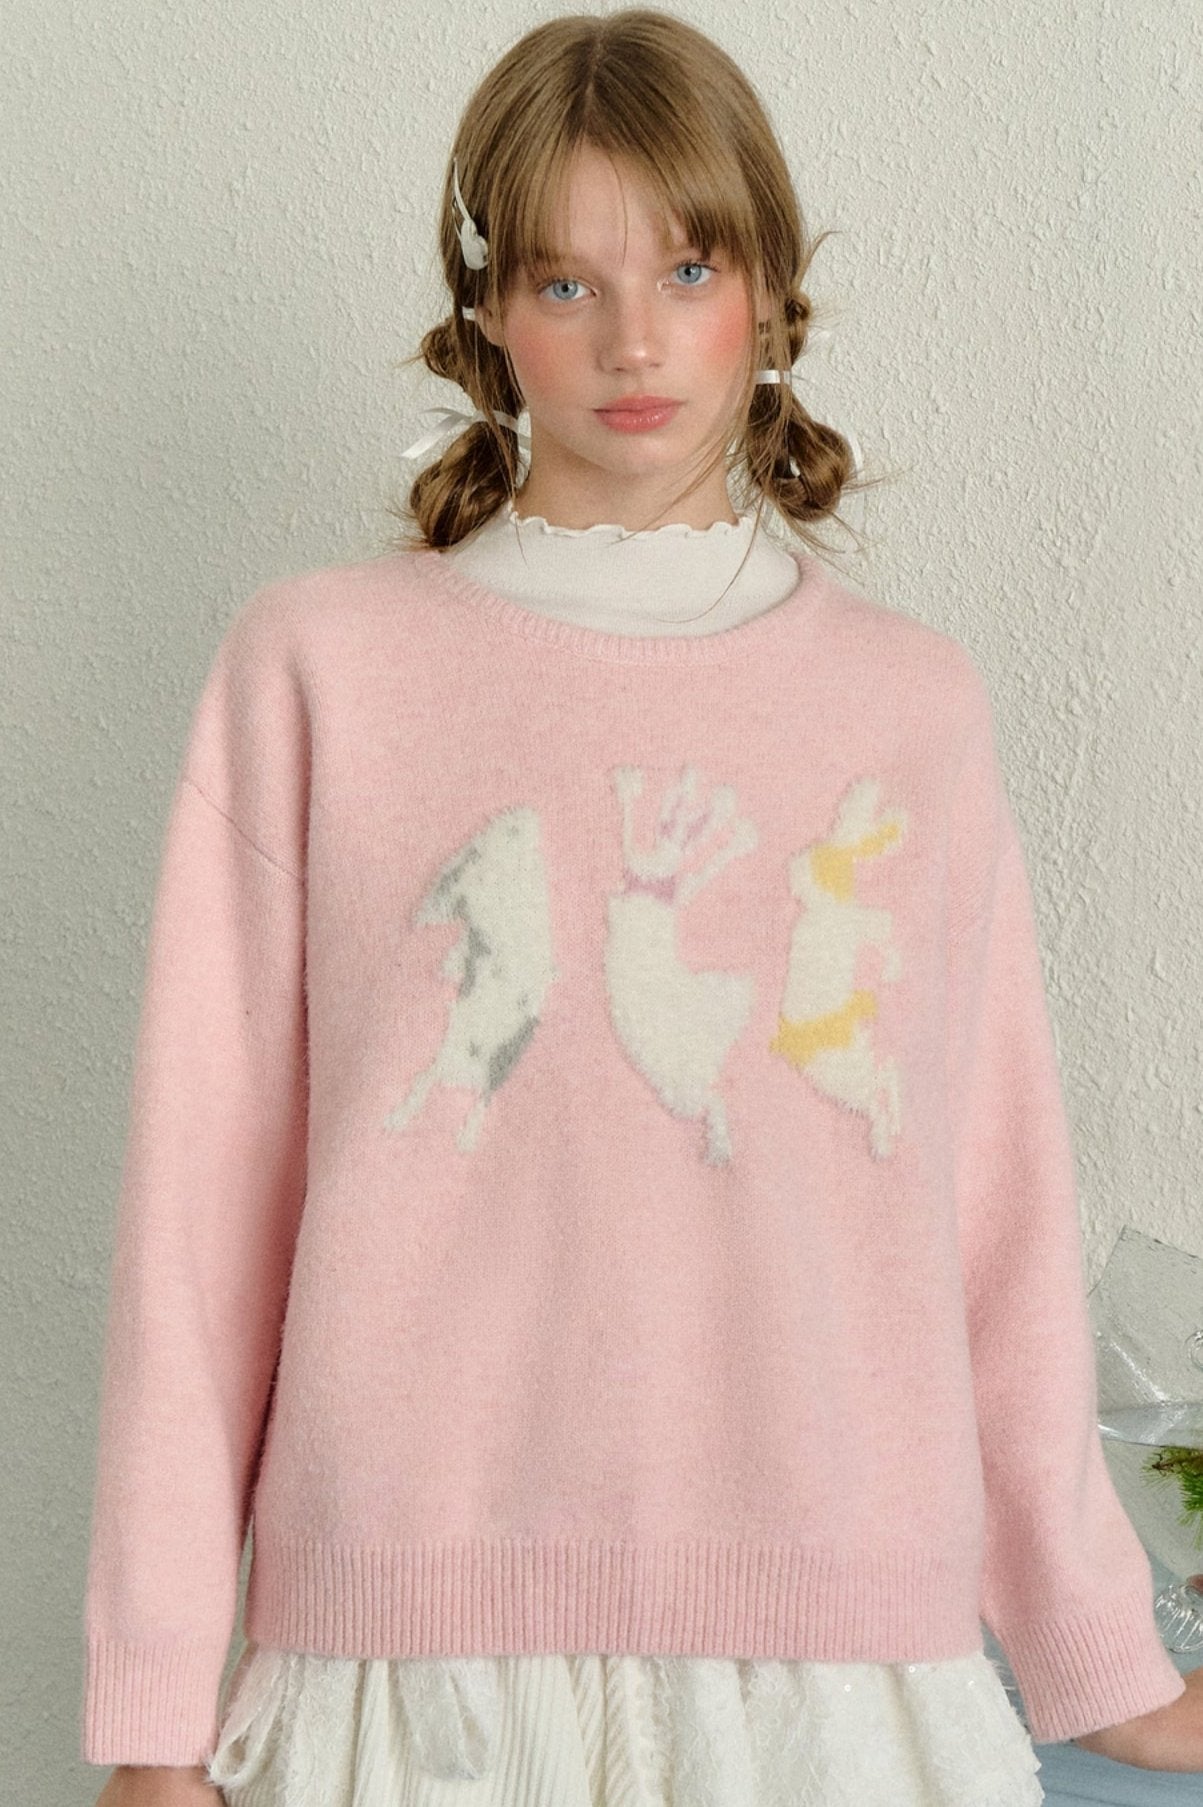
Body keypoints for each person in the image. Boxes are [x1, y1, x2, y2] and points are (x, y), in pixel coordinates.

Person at [83, 10, 1203, 1805]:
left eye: (687, 269)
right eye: (564, 281)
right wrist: (152, 1715)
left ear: (769, 294)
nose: (631, 341)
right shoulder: (321, 670)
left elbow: (990, 1214)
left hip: (843, 1680)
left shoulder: (906, 707)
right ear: (485, 311)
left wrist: (1091, 1651)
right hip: (411, 1677)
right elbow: (201, 1222)